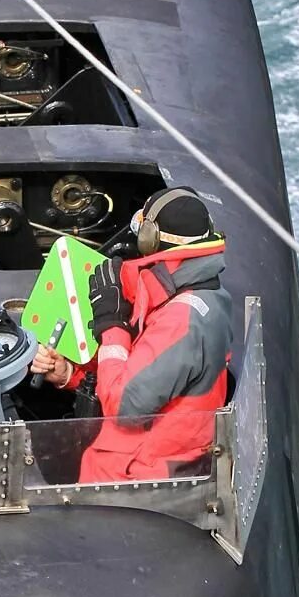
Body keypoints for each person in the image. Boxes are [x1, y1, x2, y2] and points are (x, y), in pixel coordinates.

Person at [32, 187, 233, 483]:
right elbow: (142, 372)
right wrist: (68, 374)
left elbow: (125, 406)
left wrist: (111, 323)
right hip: (138, 463)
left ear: (151, 239)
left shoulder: (182, 320)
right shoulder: (189, 296)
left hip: (134, 481)